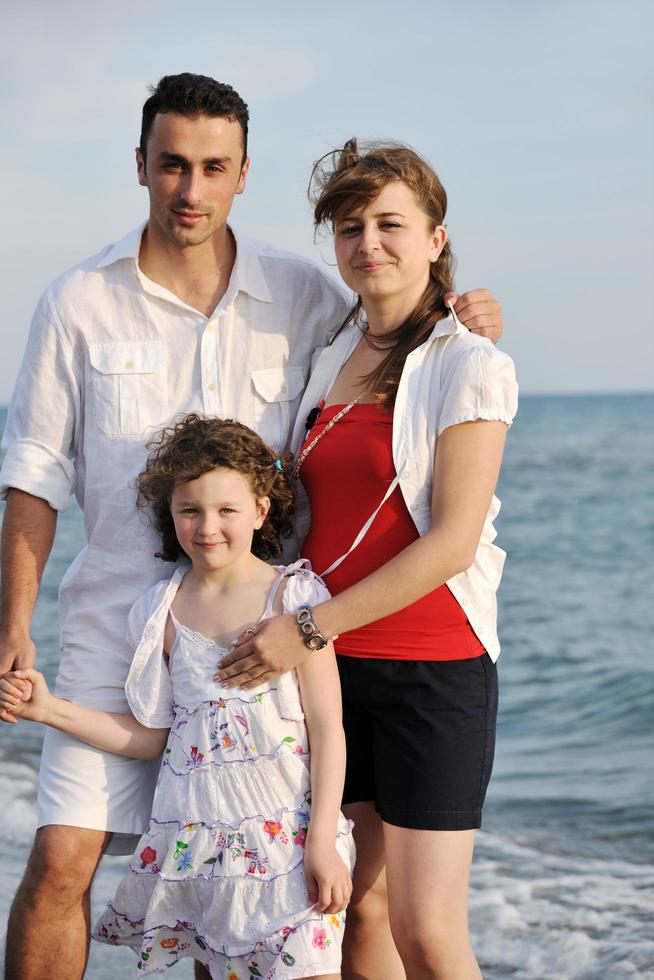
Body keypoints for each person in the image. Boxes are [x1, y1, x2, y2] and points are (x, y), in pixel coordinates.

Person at [0, 69, 503, 980]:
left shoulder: (304, 294)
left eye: (213, 167)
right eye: (172, 165)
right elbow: (33, 473)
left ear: (242, 175)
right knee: (64, 860)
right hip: (117, 625)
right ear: (142, 166)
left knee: (241, 886)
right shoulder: (77, 300)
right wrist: (12, 627)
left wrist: (467, 316)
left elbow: (400, 332)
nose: (190, 190)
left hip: (257, 637)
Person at [215, 140, 519, 980]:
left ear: (435, 238)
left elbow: (452, 540)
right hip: (336, 673)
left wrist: (303, 630)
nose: (368, 244)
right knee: (354, 909)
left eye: (391, 224)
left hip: (431, 668)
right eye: (350, 228)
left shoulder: (471, 363)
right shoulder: (330, 354)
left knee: (426, 930)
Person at [0, 414, 355, 980]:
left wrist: (322, 841)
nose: (207, 526)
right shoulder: (160, 610)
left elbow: (329, 728)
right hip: (202, 847)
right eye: (190, 510)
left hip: (290, 843)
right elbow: (157, 739)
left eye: (226, 510)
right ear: (170, 514)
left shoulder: (293, 597)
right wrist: (50, 710)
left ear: (262, 510)